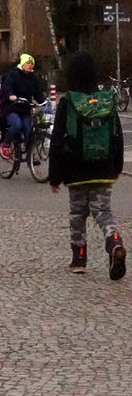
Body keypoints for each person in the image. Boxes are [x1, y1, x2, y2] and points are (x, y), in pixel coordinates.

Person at [49, 49, 126, 278]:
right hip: (103, 169)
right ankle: (114, 243)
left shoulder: (68, 102)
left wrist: (55, 176)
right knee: (103, 212)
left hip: (75, 170)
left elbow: (56, 141)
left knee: (78, 214)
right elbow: (117, 136)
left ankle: (79, 259)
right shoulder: (106, 101)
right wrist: (117, 167)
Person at [0, 53, 46, 158]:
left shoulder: (33, 78)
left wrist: (44, 101)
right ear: (22, 64)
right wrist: (11, 95)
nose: (30, 65)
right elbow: (7, 86)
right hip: (11, 107)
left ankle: (30, 157)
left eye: (32, 63)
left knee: (28, 130)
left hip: (25, 108)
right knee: (17, 125)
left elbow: (38, 92)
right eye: (28, 63)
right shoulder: (14, 75)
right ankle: (5, 145)